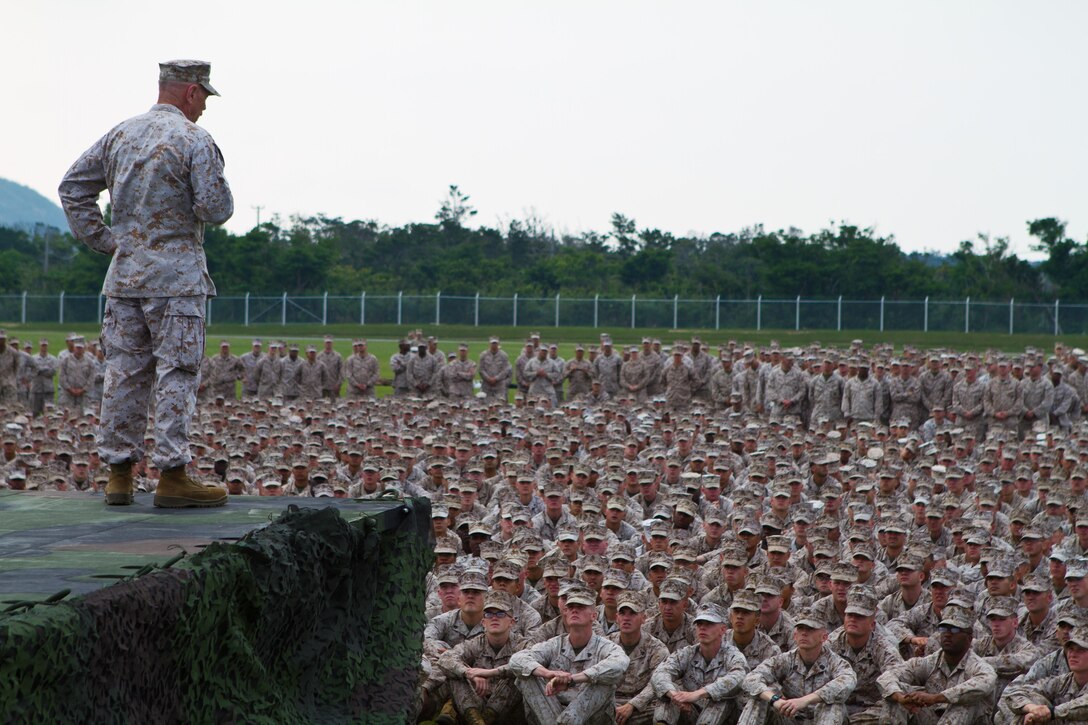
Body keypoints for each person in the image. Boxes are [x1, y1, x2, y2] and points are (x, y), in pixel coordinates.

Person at [58, 59, 231, 508]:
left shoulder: (120, 135)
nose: (204, 109)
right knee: (177, 371)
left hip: (125, 277)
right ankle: (172, 474)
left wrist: (105, 240)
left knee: (124, 373)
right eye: (204, 98)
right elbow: (215, 208)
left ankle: (119, 475)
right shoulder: (194, 139)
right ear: (191, 92)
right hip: (176, 281)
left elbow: (73, 187)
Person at [508, 584, 630, 725]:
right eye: (571, 607)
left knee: (605, 681)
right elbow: (517, 660)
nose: (574, 611)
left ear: (594, 615)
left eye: (580, 607)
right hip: (551, 712)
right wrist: (548, 673)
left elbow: (620, 664)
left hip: (591, 717)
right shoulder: (555, 644)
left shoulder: (605, 646)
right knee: (526, 675)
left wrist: (573, 679)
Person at [876, 604, 998, 724]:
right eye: (944, 628)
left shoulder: (978, 666)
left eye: (955, 629)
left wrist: (935, 698)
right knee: (896, 695)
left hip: (966, 720)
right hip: (934, 719)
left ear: (969, 638)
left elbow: (984, 683)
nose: (948, 634)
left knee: (964, 703)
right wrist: (899, 696)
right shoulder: (930, 661)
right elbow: (888, 675)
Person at [740, 605, 857, 725]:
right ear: (795, 636)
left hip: (822, 719)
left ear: (824, 637)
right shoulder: (785, 660)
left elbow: (847, 682)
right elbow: (750, 679)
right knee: (759, 699)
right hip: (791, 717)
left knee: (833, 705)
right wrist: (775, 700)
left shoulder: (835, 662)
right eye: (801, 628)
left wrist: (805, 700)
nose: (804, 633)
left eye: (811, 629)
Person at [436, 589, 528, 725]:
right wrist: (469, 673)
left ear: (512, 622)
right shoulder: (476, 643)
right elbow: (446, 659)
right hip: (477, 704)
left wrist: (488, 673)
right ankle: (477, 722)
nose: (494, 618)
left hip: (509, 713)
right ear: (483, 622)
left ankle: (484, 720)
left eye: (501, 614)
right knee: (456, 674)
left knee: (519, 675)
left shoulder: (522, 644)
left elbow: (528, 664)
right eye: (489, 614)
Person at [650, 602, 749, 725]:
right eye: (699, 624)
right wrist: (675, 696)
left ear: (723, 629)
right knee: (667, 695)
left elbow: (739, 678)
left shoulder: (733, 655)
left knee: (721, 700)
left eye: (709, 624)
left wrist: (698, 694)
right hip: (691, 711)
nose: (702, 628)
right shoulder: (688, 653)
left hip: (722, 718)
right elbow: (660, 673)